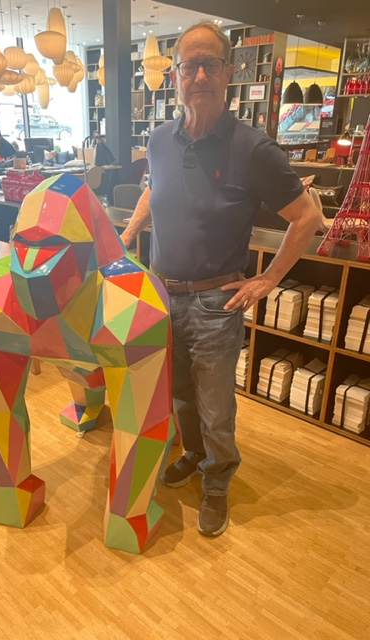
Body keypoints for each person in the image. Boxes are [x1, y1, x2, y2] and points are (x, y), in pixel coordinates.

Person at [120, 21, 321, 538]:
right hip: (163, 295)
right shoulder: (159, 138)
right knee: (181, 395)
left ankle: (216, 485)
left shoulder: (253, 148)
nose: (200, 75)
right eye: (191, 66)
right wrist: (130, 229)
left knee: (215, 406)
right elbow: (153, 186)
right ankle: (193, 456)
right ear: (177, 76)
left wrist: (267, 280)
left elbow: (307, 218)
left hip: (216, 304)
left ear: (228, 73)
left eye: (211, 64)